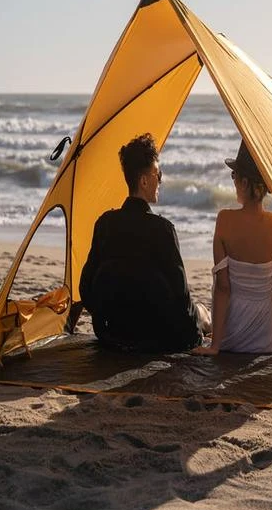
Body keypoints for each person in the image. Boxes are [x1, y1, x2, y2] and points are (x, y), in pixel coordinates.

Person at [192, 140, 272, 361]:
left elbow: (223, 289)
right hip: (269, 337)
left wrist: (215, 346)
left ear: (244, 182)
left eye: (234, 177)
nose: (233, 182)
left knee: (211, 295)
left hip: (232, 336)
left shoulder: (224, 220)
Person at [79, 133, 210, 352]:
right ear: (144, 180)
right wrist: (196, 338)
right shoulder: (163, 230)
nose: (161, 181)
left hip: (112, 333)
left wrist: (110, 317)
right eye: (158, 174)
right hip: (157, 335)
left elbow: (86, 288)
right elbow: (181, 298)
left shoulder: (105, 224)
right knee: (202, 312)